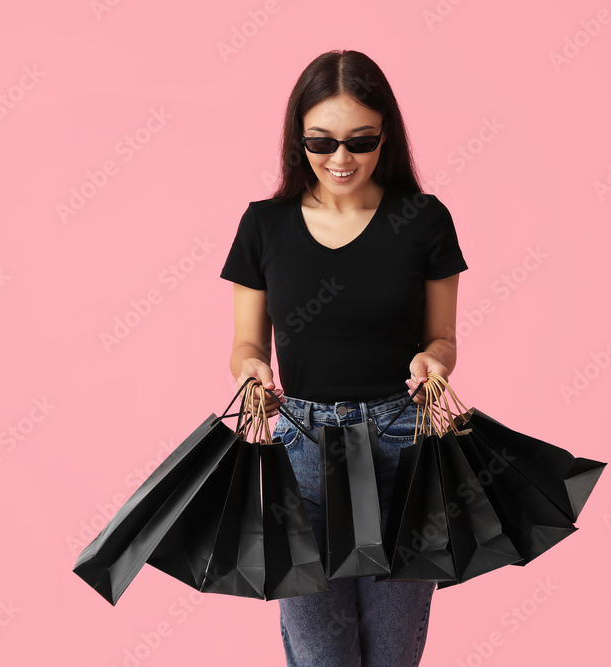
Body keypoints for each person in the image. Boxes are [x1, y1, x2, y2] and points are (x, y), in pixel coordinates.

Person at [219, 49, 468, 667]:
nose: (340, 159)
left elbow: (444, 339)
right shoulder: (264, 227)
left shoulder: (424, 221)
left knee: (392, 655)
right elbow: (247, 345)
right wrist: (252, 369)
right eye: (320, 141)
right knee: (320, 656)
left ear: (387, 135)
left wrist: (434, 361)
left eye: (360, 141)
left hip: (401, 445)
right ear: (296, 137)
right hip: (302, 447)